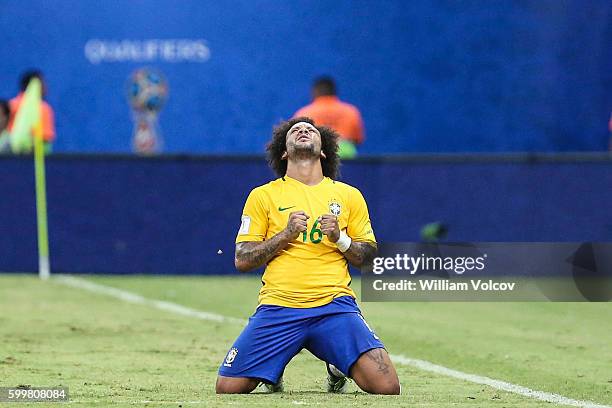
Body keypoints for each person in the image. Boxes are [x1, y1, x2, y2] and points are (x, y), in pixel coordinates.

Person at [215, 117, 400, 395]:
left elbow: (370, 259)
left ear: (323, 150)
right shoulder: (262, 196)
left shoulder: (348, 196)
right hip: (279, 308)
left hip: (334, 308)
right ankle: (273, 370)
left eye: (310, 130)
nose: (303, 131)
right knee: (228, 388)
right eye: (295, 131)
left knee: (387, 387)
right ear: (284, 152)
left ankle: (336, 366)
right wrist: (284, 235)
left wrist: (341, 238)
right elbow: (242, 259)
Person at [294, 77, 365, 158]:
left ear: (315, 92)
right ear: (334, 91)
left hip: (316, 155)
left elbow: (296, 141)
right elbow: (358, 139)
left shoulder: (304, 113)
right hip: (346, 157)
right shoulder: (350, 111)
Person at [8, 70, 56, 152]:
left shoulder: (10, 105)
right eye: (43, 82)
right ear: (35, 85)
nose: (46, 86)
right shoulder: (43, 108)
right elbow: (45, 140)